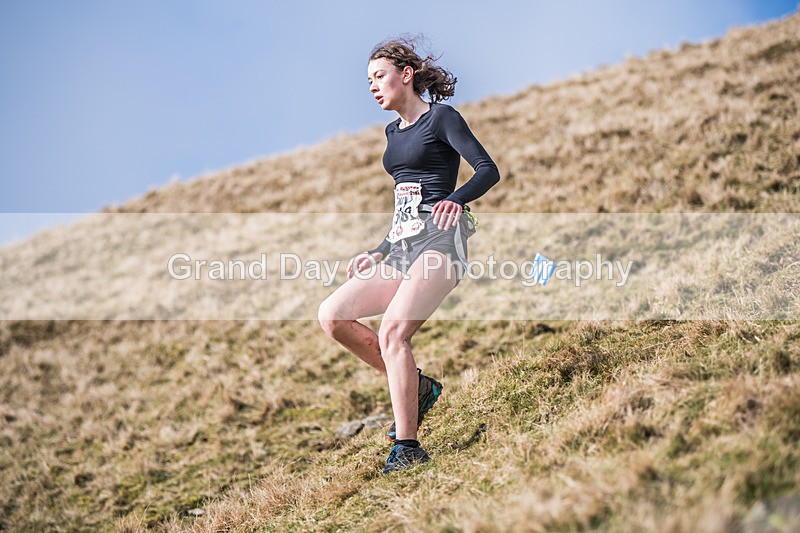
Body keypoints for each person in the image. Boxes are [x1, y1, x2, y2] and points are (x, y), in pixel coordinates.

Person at [318, 36, 500, 474]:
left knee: (393, 332)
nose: (373, 86)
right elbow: (405, 202)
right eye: (368, 81)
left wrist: (456, 199)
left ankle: (408, 445)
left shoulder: (441, 118)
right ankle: (417, 389)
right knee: (333, 316)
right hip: (402, 247)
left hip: (441, 242)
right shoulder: (391, 132)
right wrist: (379, 250)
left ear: (406, 75)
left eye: (379, 76)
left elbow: (488, 169)